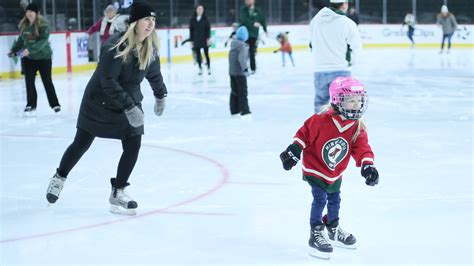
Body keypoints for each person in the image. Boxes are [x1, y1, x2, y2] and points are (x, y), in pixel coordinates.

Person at [45, 1, 167, 216]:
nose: (151, 24)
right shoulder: (115, 46)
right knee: (81, 143)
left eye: (154, 20)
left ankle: (118, 191)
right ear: (134, 22)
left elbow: (154, 74)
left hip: (127, 100)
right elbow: (107, 81)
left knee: (134, 142)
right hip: (99, 101)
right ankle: (59, 177)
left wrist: (160, 95)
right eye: (147, 19)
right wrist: (130, 107)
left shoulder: (150, 48)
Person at [279, 76, 379, 260]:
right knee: (320, 199)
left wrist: (368, 166)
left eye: (359, 100)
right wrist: (293, 151)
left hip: (335, 171)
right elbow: (304, 134)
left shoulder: (356, 126)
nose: (356, 104)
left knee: (335, 199)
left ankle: (332, 228)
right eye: (350, 100)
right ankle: (316, 233)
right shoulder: (321, 120)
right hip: (315, 167)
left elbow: (362, 148)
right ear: (337, 100)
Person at [7, 3, 61, 116]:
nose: (29, 14)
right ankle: (31, 104)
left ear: (37, 13)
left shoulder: (43, 25)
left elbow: (42, 42)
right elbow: (21, 40)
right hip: (29, 59)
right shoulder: (24, 25)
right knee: (29, 82)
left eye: (31, 12)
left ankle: (55, 104)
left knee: (47, 81)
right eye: (27, 12)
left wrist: (29, 50)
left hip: (44, 58)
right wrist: (14, 51)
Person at [309, 0, 362, 113]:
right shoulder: (347, 23)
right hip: (341, 69)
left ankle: (318, 130)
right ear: (344, 5)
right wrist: (352, 62)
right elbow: (357, 47)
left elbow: (311, 44)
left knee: (320, 105)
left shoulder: (315, 21)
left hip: (320, 70)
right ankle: (341, 130)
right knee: (344, 105)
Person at [239, 0, 267, 74]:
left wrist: (265, 29)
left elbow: (262, 20)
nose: (249, 2)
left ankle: (253, 68)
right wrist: (253, 23)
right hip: (244, 34)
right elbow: (243, 19)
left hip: (253, 35)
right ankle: (243, 67)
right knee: (243, 52)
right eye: (247, 1)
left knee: (252, 52)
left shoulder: (258, 11)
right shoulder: (243, 10)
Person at [228, 26, 251, 117]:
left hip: (232, 72)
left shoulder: (233, 44)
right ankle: (244, 110)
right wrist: (245, 69)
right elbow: (242, 59)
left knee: (234, 91)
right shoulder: (242, 46)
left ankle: (234, 110)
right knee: (242, 91)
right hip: (239, 73)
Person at [189, 4, 211, 75]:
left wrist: (208, 39)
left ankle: (208, 68)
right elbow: (191, 31)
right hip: (196, 39)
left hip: (204, 39)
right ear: (196, 10)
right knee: (198, 55)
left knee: (206, 54)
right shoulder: (192, 19)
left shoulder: (205, 19)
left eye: (201, 9)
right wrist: (191, 41)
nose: (200, 10)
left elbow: (208, 29)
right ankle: (200, 68)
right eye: (198, 9)